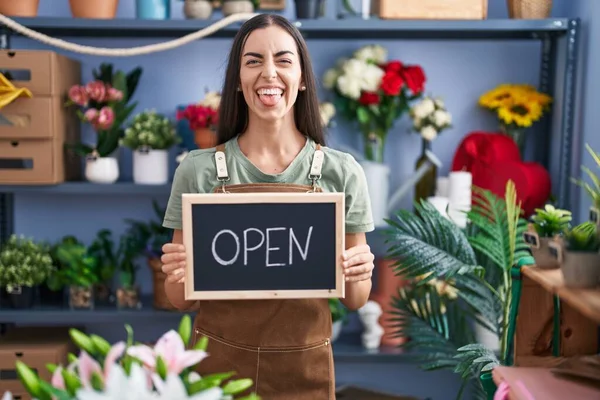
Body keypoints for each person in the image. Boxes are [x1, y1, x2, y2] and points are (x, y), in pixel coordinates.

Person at [160, 13, 375, 400]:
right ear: (239, 81)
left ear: (303, 78)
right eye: (253, 60)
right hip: (216, 369)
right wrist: (177, 270)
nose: (269, 73)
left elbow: (356, 299)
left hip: (303, 369)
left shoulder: (342, 172)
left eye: (283, 59)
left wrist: (359, 269)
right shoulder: (197, 170)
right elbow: (181, 300)